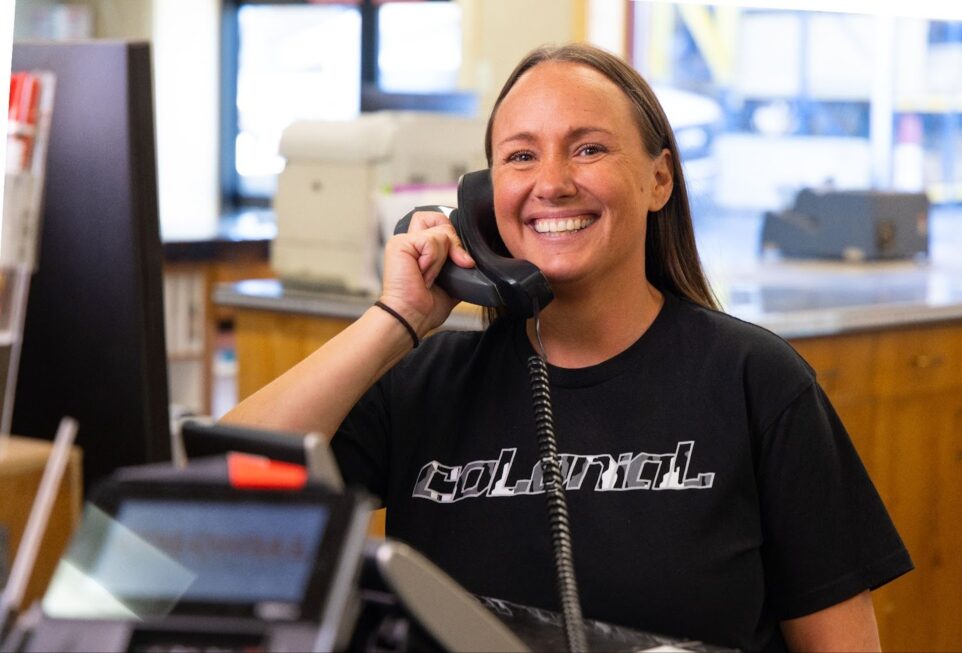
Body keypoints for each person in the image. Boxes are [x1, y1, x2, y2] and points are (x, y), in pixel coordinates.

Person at [222, 43, 912, 652]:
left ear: (659, 179)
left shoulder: (754, 381)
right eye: (521, 155)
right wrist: (397, 315)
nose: (551, 182)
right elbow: (212, 500)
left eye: (588, 148)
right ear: (485, 199)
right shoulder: (423, 383)